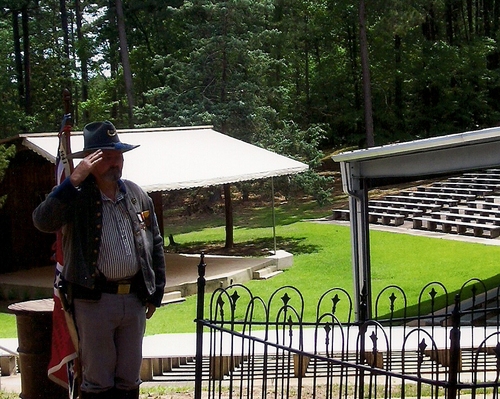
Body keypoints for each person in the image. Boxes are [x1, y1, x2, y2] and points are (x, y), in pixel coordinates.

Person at [33, 121, 166, 399]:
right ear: (90, 162)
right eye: (105, 157)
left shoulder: (137, 194)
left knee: (129, 379)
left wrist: (156, 293)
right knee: (98, 381)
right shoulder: (76, 198)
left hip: (133, 299)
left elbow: (154, 244)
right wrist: (72, 182)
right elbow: (43, 220)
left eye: (118, 156)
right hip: (94, 301)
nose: (114, 163)